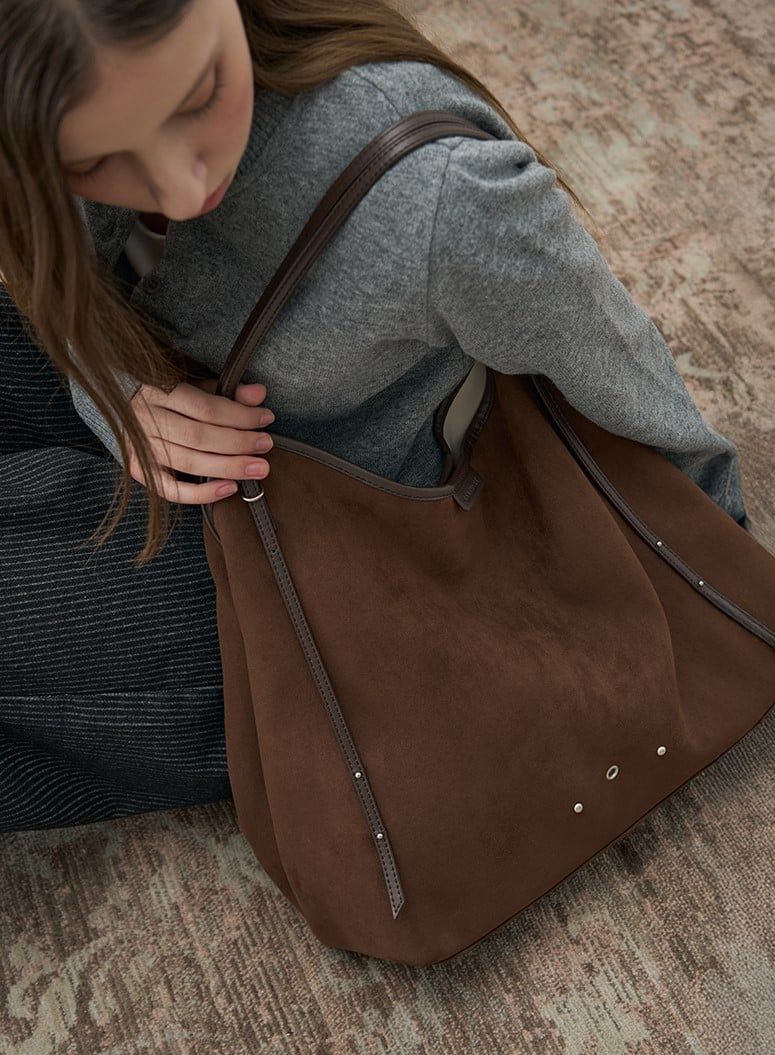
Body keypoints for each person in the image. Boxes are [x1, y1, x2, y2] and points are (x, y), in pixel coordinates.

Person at [0, 0, 751, 832]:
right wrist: (115, 396)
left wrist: (714, 568)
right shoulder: (48, 107)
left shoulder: (440, 197)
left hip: (342, 565)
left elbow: (616, 365)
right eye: (96, 161)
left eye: (199, 94)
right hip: (196, 443)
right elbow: (58, 293)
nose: (182, 186)